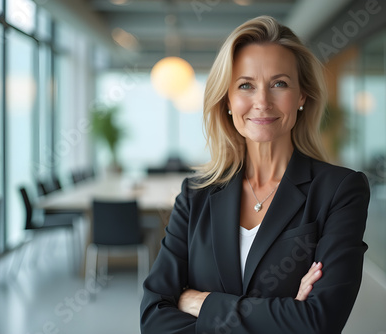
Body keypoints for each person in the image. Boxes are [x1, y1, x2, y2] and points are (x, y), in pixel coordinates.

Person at [140, 16, 370, 333]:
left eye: (279, 83)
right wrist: (284, 314)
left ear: (302, 95)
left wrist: (199, 302)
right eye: (246, 85)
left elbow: (319, 322)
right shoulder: (195, 195)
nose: (262, 102)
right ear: (228, 100)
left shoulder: (340, 190)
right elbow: (153, 317)